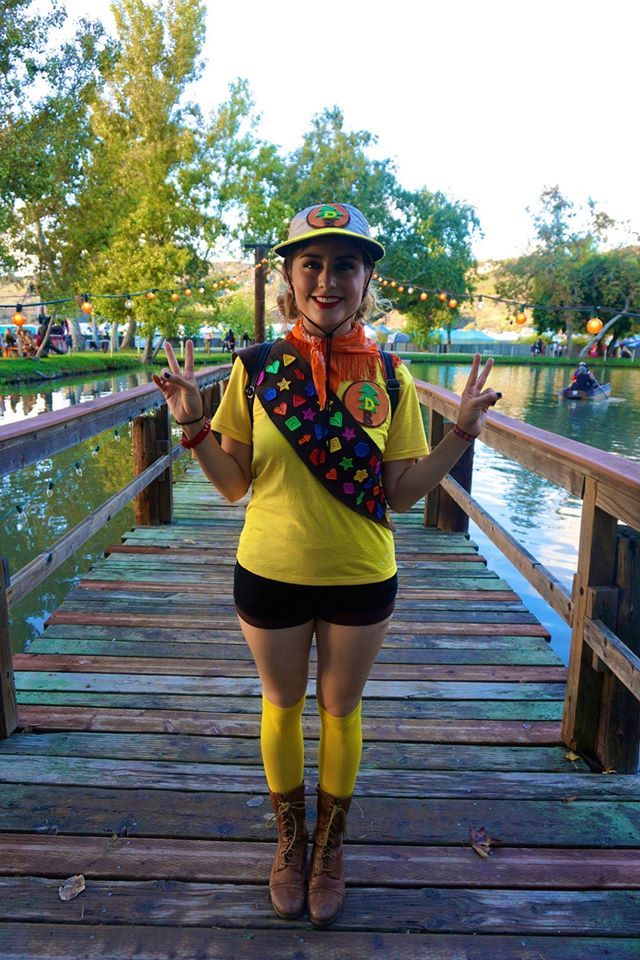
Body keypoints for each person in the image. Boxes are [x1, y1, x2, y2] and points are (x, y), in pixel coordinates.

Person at [152, 202, 500, 928]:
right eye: (311, 263)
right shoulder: (256, 372)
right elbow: (232, 482)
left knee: (340, 710)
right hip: (269, 572)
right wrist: (191, 420)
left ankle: (330, 850)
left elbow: (401, 492)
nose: (327, 280)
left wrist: (459, 434)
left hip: (362, 576)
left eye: (345, 264)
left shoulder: (391, 377)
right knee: (281, 706)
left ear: (366, 278)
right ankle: (290, 842)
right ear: (289, 277)